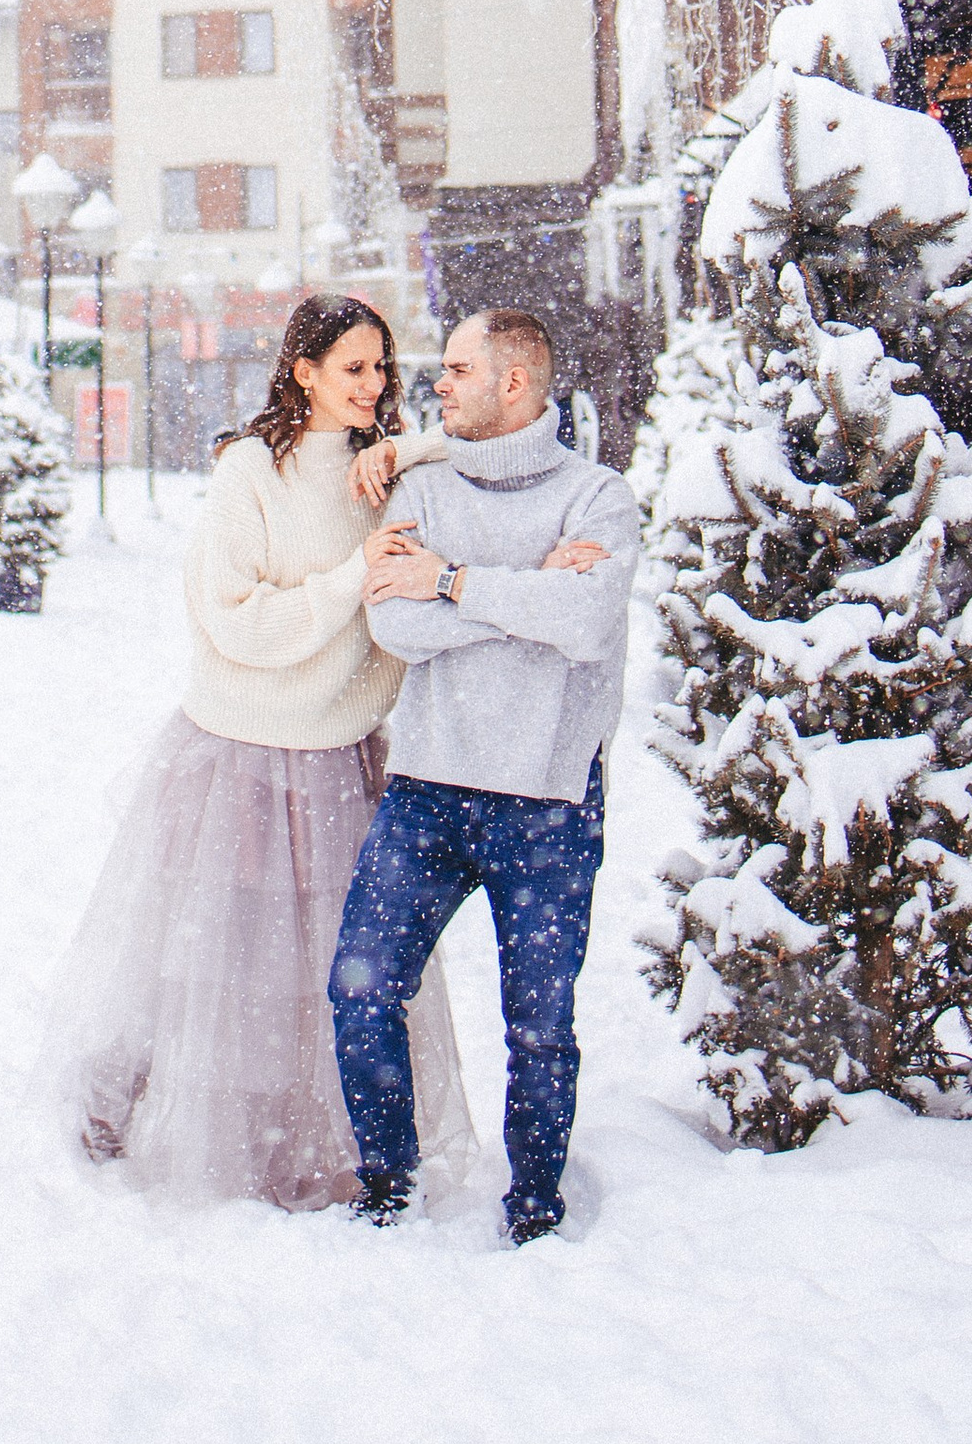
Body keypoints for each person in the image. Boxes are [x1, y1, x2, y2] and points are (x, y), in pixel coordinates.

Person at [41, 295, 473, 1211]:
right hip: (241, 759)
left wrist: (410, 447)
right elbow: (236, 624)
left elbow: (476, 449)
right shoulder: (250, 471)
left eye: (381, 367)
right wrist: (354, 576)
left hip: (340, 761)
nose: (373, 385)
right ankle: (164, 1124)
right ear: (303, 372)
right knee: (213, 965)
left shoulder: (384, 470)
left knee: (329, 981)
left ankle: (313, 1141)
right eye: (351, 368)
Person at [330, 308, 640, 1246]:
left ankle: (536, 1213)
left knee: (539, 1031)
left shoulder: (599, 499)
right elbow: (396, 626)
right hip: (426, 792)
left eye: (458, 369)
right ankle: (389, 1185)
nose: (436, 384)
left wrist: (456, 581)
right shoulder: (420, 483)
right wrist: (530, 593)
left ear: (514, 382)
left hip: (548, 801)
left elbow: (587, 627)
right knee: (361, 991)